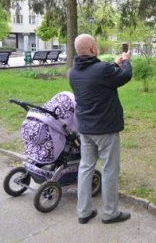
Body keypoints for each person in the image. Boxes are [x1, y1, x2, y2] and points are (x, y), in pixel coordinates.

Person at [68, 34, 132, 224]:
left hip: (85, 129)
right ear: (92, 49)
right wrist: (125, 62)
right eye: (95, 45)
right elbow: (124, 76)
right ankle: (110, 213)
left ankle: (84, 211)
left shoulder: (73, 72)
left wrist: (115, 63)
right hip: (105, 130)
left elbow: (99, 76)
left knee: (85, 167)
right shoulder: (102, 70)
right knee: (109, 170)